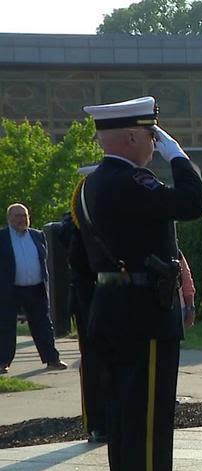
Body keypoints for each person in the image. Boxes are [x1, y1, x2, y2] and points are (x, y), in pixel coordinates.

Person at [76, 96, 202, 471]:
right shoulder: (130, 180)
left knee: (126, 422)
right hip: (142, 315)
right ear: (132, 137)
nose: (155, 143)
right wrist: (180, 156)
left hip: (112, 309)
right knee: (148, 423)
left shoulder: (92, 184)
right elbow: (193, 204)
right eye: (152, 136)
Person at [61, 164, 110, 443]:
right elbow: (75, 252)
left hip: (112, 296)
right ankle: (97, 421)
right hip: (89, 296)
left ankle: (115, 416)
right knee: (92, 362)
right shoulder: (75, 218)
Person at [1, 203, 69, 375]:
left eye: (24, 215)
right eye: (17, 216)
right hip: (10, 289)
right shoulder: (2, 238)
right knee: (6, 327)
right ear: (9, 218)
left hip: (36, 288)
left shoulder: (37, 235)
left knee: (43, 326)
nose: (21, 219)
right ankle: (3, 362)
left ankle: (52, 359)